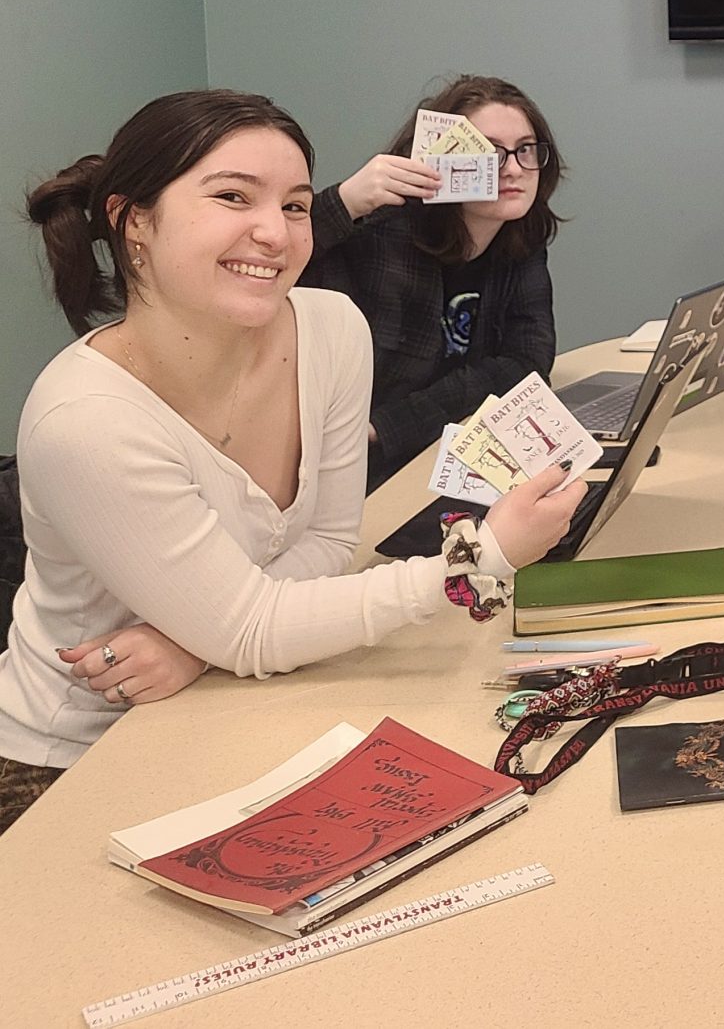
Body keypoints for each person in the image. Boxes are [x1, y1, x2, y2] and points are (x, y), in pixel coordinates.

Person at [0, 90, 585, 834]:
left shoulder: (333, 330)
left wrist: (202, 641)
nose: (272, 233)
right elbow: (252, 629)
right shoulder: (86, 420)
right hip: (78, 758)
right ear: (134, 219)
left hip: (232, 696)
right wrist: (482, 558)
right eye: (233, 196)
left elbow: (327, 545)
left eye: (298, 205)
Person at [302, 75, 564, 485]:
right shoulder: (381, 230)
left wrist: (391, 424)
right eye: (491, 152)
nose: (514, 168)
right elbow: (276, 256)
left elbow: (526, 364)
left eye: (525, 149)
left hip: (448, 452)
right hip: (354, 469)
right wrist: (346, 201)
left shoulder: (520, 236)